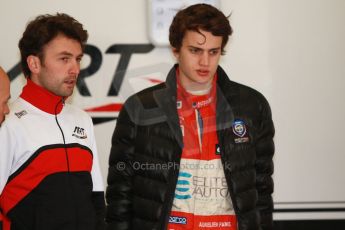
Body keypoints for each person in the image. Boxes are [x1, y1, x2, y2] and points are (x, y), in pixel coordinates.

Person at [106, 3, 274, 230]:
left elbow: (261, 191)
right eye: (195, 50)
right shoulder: (139, 107)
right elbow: (120, 196)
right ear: (176, 49)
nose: (205, 62)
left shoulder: (252, 106)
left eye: (213, 52)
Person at [0, 13, 105, 230]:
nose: (75, 69)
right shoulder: (7, 121)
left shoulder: (82, 119)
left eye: (78, 59)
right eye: (64, 58)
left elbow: (96, 198)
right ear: (34, 63)